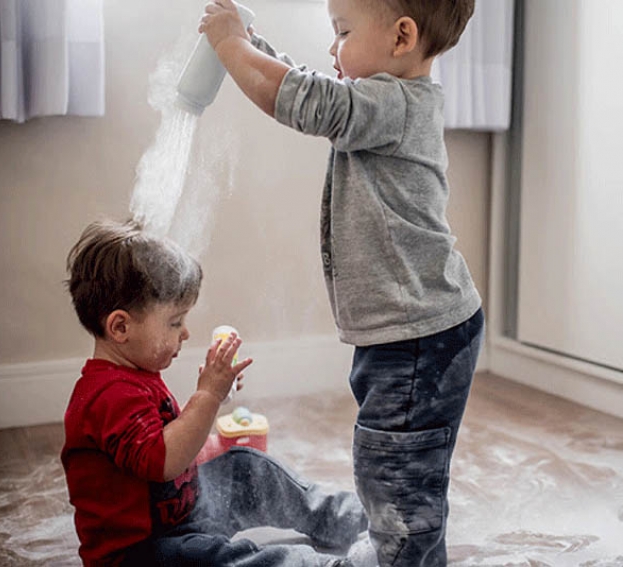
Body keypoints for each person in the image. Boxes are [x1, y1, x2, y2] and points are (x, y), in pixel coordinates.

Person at [198, 1, 484, 565]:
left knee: (397, 479)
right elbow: (310, 92)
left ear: (402, 37)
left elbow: (309, 102)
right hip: (411, 333)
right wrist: (253, 44)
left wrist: (233, 47)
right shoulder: (384, 102)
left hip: (418, 338)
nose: (333, 48)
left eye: (343, 32)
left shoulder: (394, 103)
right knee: (395, 474)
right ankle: (401, 550)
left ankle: (402, 557)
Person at [61, 219, 368, 567]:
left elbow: (167, 446)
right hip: (142, 554)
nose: (186, 332)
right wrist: (206, 397)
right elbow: (162, 461)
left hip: (182, 514)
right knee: (220, 559)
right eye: (175, 322)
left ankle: (351, 517)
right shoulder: (107, 396)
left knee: (244, 468)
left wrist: (214, 415)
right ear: (120, 327)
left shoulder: (134, 376)